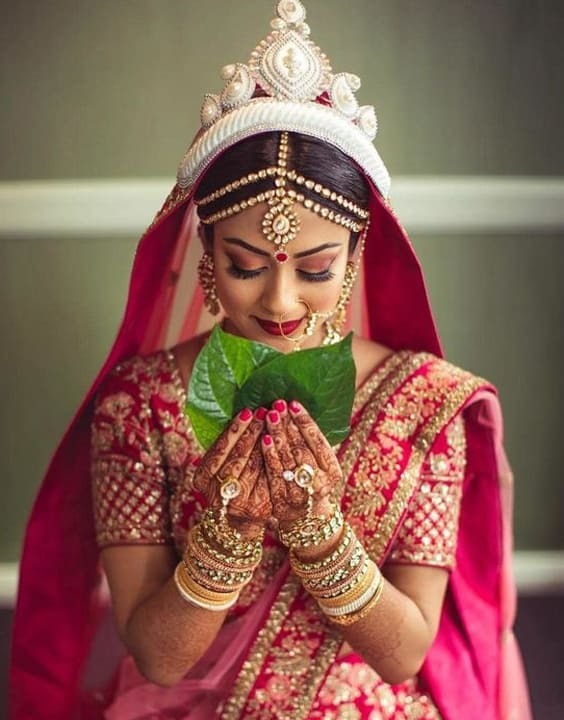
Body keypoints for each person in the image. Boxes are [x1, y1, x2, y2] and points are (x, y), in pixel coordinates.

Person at [9, 1, 532, 718]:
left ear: (353, 260)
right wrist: (226, 537)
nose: (281, 300)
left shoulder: (423, 402)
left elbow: (406, 651)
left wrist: (320, 534)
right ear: (206, 255)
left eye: (314, 268)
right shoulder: (142, 405)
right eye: (246, 264)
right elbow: (157, 657)